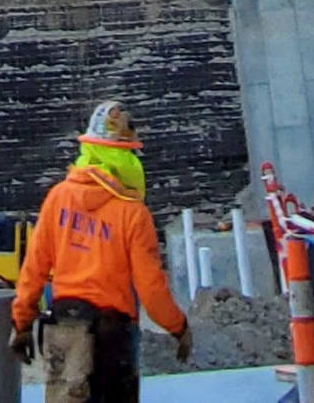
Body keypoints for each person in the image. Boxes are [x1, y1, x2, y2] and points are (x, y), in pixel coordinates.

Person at [10, 100, 192, 403]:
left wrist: (22, 323)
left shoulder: (58, 198)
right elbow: (150, 287)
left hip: (65, 327)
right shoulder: (132, 214)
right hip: (112, 336)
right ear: (125, 156)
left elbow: (34, 267)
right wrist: (178, 327)